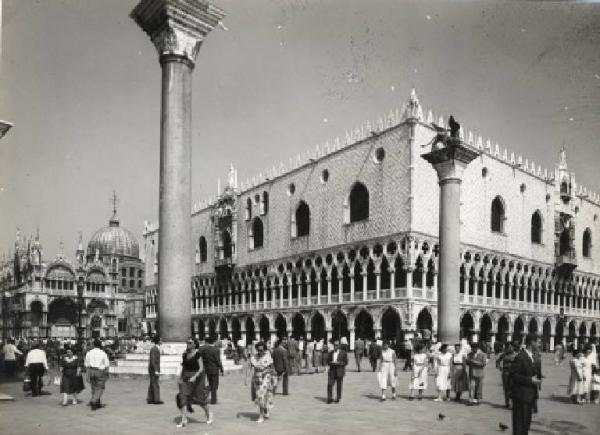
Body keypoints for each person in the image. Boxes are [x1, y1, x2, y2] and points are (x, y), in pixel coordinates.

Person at [510, 334, 543, 435]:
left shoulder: (532, 356)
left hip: (529, 396)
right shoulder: (521, 357)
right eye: (538, 342)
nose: (540, 344)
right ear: (532, 342)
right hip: (521, 397)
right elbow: (513, 375)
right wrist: (530, 380)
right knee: (519, 427)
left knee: (525, 427)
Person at [176, 339, 212, 428]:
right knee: (182, 397)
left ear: (195, 345)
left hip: (197, 378)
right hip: (185, 377)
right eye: (187, 342)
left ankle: (208, 414)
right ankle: (184, 420)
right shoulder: (184, 354)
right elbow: (183, 366)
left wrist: (194, 377)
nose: (188, 344)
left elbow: (201, 368)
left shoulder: (197, 354)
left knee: (199, 399)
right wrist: (180, 377)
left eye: (190, 343)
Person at [250, 341, 276, 423]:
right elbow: (251, 368)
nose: (260, 352)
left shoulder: (268, 357)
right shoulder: (254, 357)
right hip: (257, 379)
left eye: (262, 350)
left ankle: (261, 416)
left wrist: (265, 371)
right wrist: (247, 379)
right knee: (263, 396)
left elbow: (272, 369)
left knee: (261, 395)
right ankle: (265, 411)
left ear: (264, 349)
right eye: (259, 350)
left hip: (266, 378)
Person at [84, 338, 110, 410]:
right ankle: (94, 400)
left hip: (91, 370)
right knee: (100, 388)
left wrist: (87, 374)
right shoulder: (103, 353)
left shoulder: (89, 353)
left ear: (93, 345)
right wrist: (107, 373)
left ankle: (97, 404)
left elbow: (86, 364)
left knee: (94, 387)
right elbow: (106, 365)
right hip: (100, 371)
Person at [199, 337, 224, 405]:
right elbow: (218, 361)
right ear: (214, 342)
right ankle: (213, 400)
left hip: (207, 369)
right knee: (214, 385)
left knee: (211, 384)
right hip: (214, 369)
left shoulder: (205, 349)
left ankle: (205, 395)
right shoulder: (216, 350)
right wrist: (221, 369)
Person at [497, 341, 519, 408]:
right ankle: (507, 402)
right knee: (506, 388)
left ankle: (513, 402)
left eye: (511, 347)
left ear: (513, 347)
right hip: (505, 372)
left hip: (513, 372)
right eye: (508, 347)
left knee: (513, 387)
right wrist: (500, 367)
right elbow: (498, 361)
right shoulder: (504, 354)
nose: (510, 348)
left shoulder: (516, 355)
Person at [147, 335, 162, 404]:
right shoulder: (154, 349)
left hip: (153, 368)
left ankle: (150, 398)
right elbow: (153, 360)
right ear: (158, 341)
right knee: (155, 384)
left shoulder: (155, 348)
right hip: (153, 369)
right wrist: (156, 370)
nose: (161, 341)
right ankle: (156, 399)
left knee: (152, 383)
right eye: (160, 340)